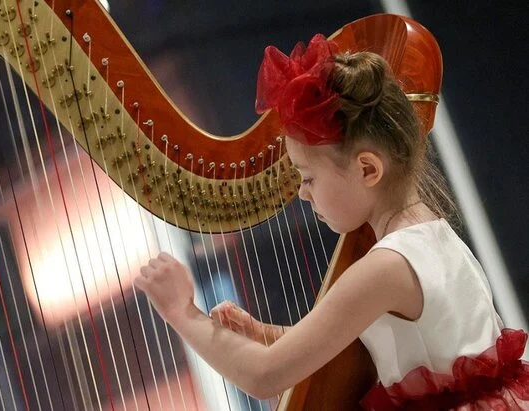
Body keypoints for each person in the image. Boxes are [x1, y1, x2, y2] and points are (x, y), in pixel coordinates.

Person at [134, 34, 529, 410]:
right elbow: (360, 341)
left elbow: (264, 375)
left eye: (308, 178)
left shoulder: (386, 266)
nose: (303, 194)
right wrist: (266, 335)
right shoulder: (433, 234)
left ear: (368, 169)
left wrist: (181, 311)